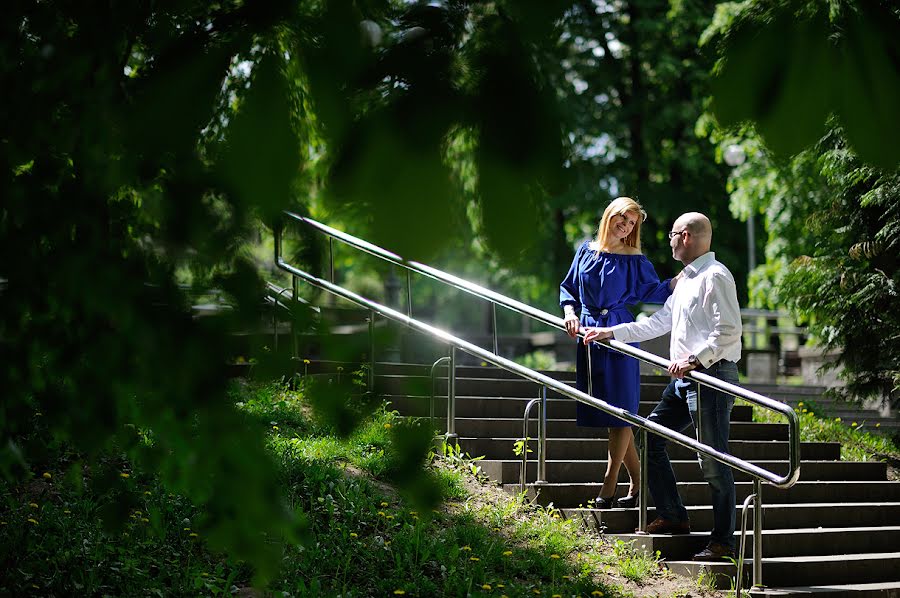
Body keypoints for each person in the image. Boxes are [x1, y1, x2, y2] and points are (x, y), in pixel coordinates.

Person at [582, 212, 742, 561]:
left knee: (713, 460)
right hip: (685, 380)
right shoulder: (686, 280)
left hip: (710, 377)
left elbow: (728, 330)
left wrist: (695, 359)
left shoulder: (715, 276)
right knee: (651, 435)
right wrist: (614, 332)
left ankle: (724, 542)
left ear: (685, 236)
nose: (668, 240)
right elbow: (659, 322)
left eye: (672, 234)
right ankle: (673, 515)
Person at [559, 197, 678, 510]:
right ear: (610, 215)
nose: (625, 226)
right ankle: (639, 483)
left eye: (631, 223)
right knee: (606, 409)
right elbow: (568, 289)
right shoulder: (584, 251)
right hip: (586, 333)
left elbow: (655, 290)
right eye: (623, 218)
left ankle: (608, 486)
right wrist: (570, 313)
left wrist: (680, 281)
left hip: (618, 334)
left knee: (620, 412)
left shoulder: (634, 258)